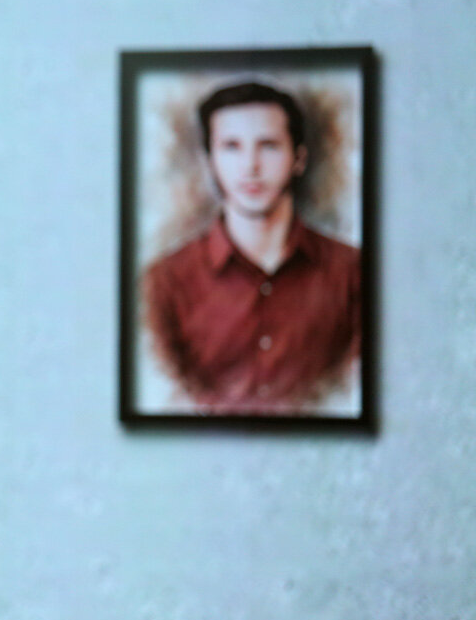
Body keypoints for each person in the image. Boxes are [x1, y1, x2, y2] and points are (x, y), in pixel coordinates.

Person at [143, 81, 361, 412]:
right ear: (210, 161)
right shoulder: (163, 283)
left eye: (269, 146)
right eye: (232, 147)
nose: (250, 166)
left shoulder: (353, 273)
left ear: (299, 159)